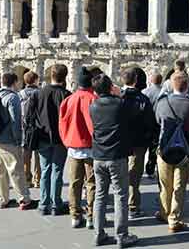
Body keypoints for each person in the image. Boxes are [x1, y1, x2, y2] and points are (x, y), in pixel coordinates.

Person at [90, 74, 138, 248]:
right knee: (120, 195)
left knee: (100, 196)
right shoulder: (120, 104)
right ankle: (122, 235)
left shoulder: (93, 106)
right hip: (116, 156)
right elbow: (131, 116)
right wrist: (120, 95)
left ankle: (99, 233)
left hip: (98, 155)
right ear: (111, 87)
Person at [155, 71, 189, 233]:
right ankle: (174, 218)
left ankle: (164, 211)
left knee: (165, 184)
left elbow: (158, 121)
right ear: (187, 85)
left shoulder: (163, 102)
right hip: (184, 148)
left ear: (171, 84)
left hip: (164, 147)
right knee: (179, 186)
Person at [30, 64, 71, 216]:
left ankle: (44, 202)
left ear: (50, 76)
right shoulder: (67, 94)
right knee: (57, 170)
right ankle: (56, 203)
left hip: (42, 136)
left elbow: (30, 116)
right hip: (60, 137)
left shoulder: (38, 93)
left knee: (45, 169)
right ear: (64, 77)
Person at [0, 73, 35, 210]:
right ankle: (24, 199)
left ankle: (2, 199)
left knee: (0, 170)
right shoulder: (12, 97)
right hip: (8, 140)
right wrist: (18, 140)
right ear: (14, 82)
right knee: (16, 170)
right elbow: (15, 121)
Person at [59, 67, 98, 229]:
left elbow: (62, 123)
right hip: (90, 146)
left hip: (74, 146)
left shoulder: (68, 100)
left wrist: (67, 140)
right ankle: (90, 215)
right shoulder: (93, 99)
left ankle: (75, 214)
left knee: (75, 182)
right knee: (91, 183)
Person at [121, 68, 155, 219]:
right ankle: (132, 206)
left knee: (121, 174)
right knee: (134, 175)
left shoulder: (118, 98)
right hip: (138, 144)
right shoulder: (143, 99)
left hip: (121, 142)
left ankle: (121, 204)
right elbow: (150, 123)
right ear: (135, 81)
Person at [19, 71, 41, 188]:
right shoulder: (40, 93)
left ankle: (27, 179)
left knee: (26, 156)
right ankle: (38, 179)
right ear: (36, 80)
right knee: (38, 156)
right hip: (38, 129)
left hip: (24, 129)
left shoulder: (20, 94)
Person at [143, 70, 163, 178]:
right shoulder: (163, 93)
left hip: (146, 123)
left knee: (144, 146)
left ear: (151, 80)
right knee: (154, 148)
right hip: (158, 123)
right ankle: (151, 169)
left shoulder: (145, 92)